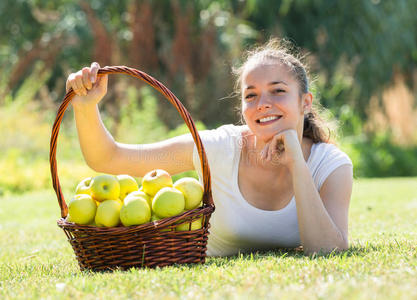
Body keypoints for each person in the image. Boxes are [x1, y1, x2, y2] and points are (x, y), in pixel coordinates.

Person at [66, 38, 353, 256]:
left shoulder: (331, 166)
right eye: (251, 95)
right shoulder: (220, 148)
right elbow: (111, 158)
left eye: (278, 91)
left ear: (305, 102)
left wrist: (296, 163)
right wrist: (85, 107)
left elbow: (329, 250)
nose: (263, 103)